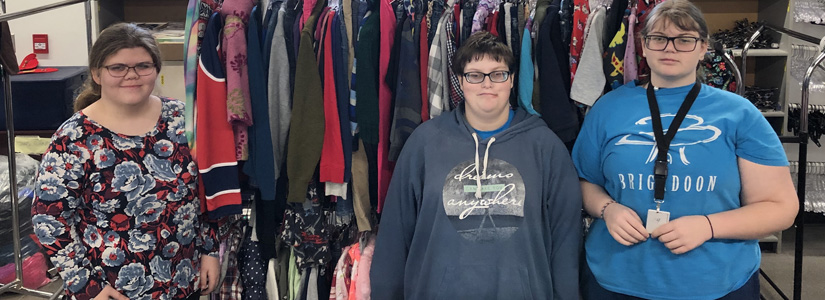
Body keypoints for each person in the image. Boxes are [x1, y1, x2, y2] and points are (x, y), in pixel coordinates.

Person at [572, 1, 799, 299]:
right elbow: (585, 182)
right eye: (659, 38)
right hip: (616, 277)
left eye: (684, 39)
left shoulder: (739, 114)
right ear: (644, 45)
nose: (670, 48)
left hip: (715, 281)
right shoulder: (608, 108)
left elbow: (780, 208)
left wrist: (708, 226)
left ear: (703, 47)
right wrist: (607, 209)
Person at [370, 31, 582, 299]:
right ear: (460, 81)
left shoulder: (546, 146)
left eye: (497, 73)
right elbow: (394, 236)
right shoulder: (424, 143)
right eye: (475, 74)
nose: (487, 84)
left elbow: (565, 241)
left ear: (511, 80)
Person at [30, 23, 220, 300]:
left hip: (182, 280)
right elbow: (49, 219)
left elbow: (206, 192)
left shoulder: (183, 119)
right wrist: (86, 286)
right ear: (97, 73)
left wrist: (210, 251)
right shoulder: (74, 138)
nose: (132, 75)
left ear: (156, 69)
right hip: (111, 289)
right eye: (117, 67)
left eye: (143, 66)